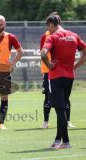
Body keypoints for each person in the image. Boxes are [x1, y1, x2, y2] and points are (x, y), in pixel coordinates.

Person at [41, 14, 86, 149]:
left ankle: (65, 142)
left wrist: (49, 66)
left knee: (60, 110)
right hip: (69, 77)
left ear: (52, 25)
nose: (49, 30)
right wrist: (75, 66)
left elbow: (43, 54)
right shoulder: (73, 35)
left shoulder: (53, 37)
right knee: (63, 107)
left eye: (49, 27)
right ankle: (57, 140)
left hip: (55, 77)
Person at [40, 12, 75, 129]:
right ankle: (46, 121)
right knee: (48, 98)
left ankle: (67, 122)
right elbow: (43, 53)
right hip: (49, 71)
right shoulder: (46, 36)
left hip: (58, 72)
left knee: (64, 99)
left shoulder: (61, 35)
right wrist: (47, 67)